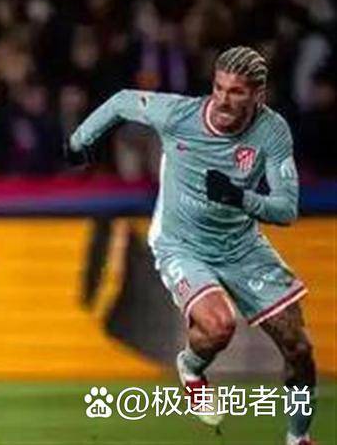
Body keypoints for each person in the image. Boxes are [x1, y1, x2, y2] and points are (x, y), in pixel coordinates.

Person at [65, 46, 315, 445]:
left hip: (242, 246)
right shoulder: (180, 115)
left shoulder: (272, 131)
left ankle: (298, 437)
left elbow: (286, 210)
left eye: (236, 91)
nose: (223, 99)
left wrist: (239, 197)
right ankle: (192, 366)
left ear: (258, 95)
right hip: (181, 244)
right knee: (218, 326)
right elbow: (123, 101)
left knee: (298, 348)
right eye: (219, 88)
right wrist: (81, 141)